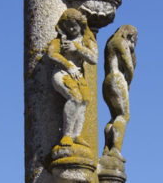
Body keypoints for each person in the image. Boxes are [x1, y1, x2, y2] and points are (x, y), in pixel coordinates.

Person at [47, 9, 98, 147]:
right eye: (67, 26)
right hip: (62, 73)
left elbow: (94, 59)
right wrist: (68, 65)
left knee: (85, 100)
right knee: (75, 98)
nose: (70, 29)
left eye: (73, 25)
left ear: (80, 25)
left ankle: (76, 134)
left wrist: (77, 48)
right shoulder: (61, 40)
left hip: (78, 75)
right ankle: (67, 135)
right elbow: (51, 54)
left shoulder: (86, 40)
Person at [102, 24, 138, 161]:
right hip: (117, 79)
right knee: (124, 115)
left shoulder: (110, 42)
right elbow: (129, 67)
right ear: (131, 36)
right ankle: (115, 149)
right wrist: (128, 83)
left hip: (107, 82)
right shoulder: (121, 42)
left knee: (114, 117)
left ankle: (107, 148)